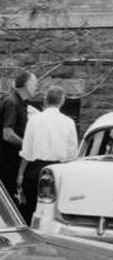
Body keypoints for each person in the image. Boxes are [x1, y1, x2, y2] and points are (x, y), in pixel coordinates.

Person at [16, 85, 77, 223]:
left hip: (35, 169)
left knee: (32, 208)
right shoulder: (69, 122)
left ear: (45, 100)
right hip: (59, 170)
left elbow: (27, 151)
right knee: (55, 212)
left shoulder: (34, 120)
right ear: (62, 101)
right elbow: (72, 153)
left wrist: (20, 174)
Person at [1, 70, 37, 207]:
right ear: (27, 85)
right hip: (6, 163)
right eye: (35, 84)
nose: (37, 87)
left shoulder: (22, 103)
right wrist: (27, 145)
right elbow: (7, 134)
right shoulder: (12, 102)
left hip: (14, 162)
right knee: (8, 203)